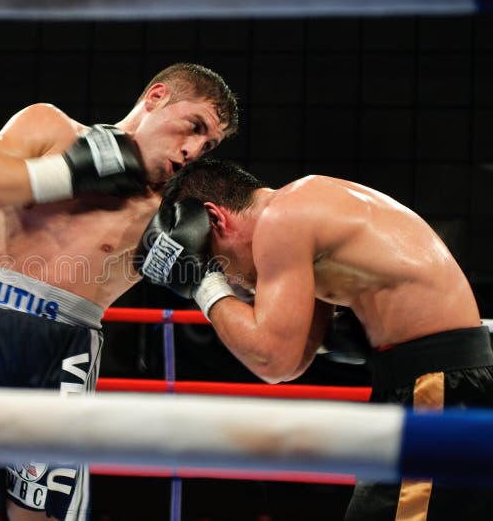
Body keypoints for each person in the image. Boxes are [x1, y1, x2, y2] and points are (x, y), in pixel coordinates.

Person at [0, 63, 239, 521]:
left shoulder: (164, 215)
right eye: (194, 127)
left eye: (208, 145)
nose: (192, 150)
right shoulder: (50, 128)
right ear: (156, 97)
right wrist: (69, 172)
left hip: (62, 355)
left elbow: (246, 267)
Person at [137, 157, 493, 520]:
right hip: (438, 380)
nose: (232, 280)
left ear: (215, 219)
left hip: (434, 386)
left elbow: (271, 360)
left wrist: (202, 281)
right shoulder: (307, 212)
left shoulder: (281, 221)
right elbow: (293, 358)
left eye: (218, 262)